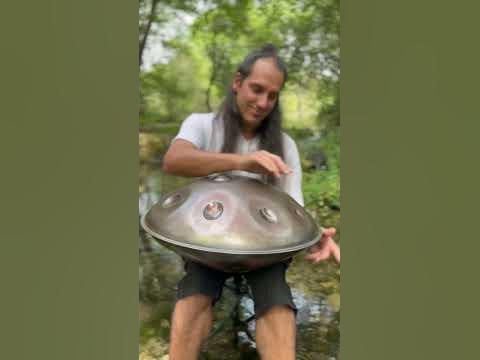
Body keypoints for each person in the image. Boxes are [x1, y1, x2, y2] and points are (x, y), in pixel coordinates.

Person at [162, 44, 340, 360]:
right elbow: (174, 161)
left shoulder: (285, 145)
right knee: (194, 295)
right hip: (209, 249)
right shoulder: (202, 124)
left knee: (277, 302)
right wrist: (243, 162)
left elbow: (293, 208)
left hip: (263, 255)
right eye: (256, 89)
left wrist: (313, 237)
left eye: (272, 96)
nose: (262, 103)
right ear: (237, 82)